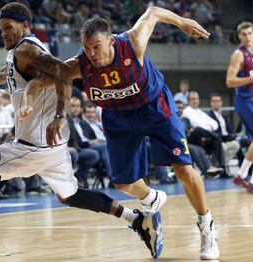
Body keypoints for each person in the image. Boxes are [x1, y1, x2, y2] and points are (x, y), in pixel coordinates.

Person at [0, 2, 163, 259]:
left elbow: (63, 71)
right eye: (0, 29)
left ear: (25, 26)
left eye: (8, 27)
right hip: (52, 145)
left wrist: (60, 115)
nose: (3, 33)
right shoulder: (18, 51)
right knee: (71, 195)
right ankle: (137, 219)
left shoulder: (28, 49)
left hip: (34, 145)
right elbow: (9, 72)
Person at [22, 8, 219, 260]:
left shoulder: (132, 42)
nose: (91, 53)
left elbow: (153, 12)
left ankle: (206, 226)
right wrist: (28, 100)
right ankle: (151, 199)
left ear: (111, 40)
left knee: (182, 169)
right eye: (86, 47)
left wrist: (181, 22)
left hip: (155, 108)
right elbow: (37, 82)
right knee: (123, 183)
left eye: (96, 46)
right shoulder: (79, 65)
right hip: (118, 117)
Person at [225, 21, 253, 190]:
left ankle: (247, 180)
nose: (247, 37)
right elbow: (229, 81)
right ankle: (242, 175)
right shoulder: (238, 55)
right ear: (239, 35)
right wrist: (250, 79)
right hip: (243, 100)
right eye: (244, 34)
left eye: (250, 33)